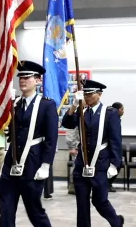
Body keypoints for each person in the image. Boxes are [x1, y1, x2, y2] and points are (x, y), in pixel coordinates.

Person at [0, 60, 58, 227]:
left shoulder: (47, 105)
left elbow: (51, 138)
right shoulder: (14, 103)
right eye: (21, 77)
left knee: (34, 210)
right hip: (11, 164)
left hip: (33, 163)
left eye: (27, 77)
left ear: (38, 80)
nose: (22, 80)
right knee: (6, 211)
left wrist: (46, 164)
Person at [62, 79, 124, 227]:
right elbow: (67, 123)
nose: (87, 97)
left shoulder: (110, 113)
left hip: (101, 164)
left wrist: (115, 164)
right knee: (82, 204)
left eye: (90, 94)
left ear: (99, 94)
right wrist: (75, 104)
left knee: (100, 201)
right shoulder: (81, 111)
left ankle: (116, 222)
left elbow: (115, 140)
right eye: (85, 94)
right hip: (82, 164)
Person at [108, 102, 124, 192]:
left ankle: (108, 184)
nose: (123, 111)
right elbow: (114, 136)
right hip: (113, 148)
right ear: (117, 110)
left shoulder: (116, 119)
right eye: (122, 109)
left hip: (116, 147)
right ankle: (107, 184)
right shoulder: (113, 119)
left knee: (118, 165)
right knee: (116, 164)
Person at [66, 127, 79, 195]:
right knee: (76, 167)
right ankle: (73, 186)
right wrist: (72, 147)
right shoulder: (76, 116)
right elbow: (71, 130)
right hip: (77, 146)